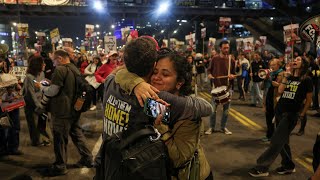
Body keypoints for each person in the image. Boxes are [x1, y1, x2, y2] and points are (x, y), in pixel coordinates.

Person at [95, 38, 212, 179]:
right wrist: (136, 83)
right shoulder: (149, 102)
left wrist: (161, 128)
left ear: (179, 82)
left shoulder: (111, 83)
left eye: (165, 74)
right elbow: (205, 107)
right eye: (155, 72)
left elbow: (178, 159)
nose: (156, 77)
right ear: (152, 66)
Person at [249, 56, 313, 177]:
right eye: (295, 59)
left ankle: (262, 167)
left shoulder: (307, 80)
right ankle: (288, 165)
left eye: (298, 60)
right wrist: (285, 77)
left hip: (291, 114)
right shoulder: (288, 76)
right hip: (279, 111)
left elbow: (308, 100)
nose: (295, 61)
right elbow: (280, 91)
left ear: (304, 64)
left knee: (276, 141)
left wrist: (302, 114)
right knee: (283, 141)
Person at [37, 49, 93, 176]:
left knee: (60, 139)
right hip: (74, 109)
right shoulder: (74, 68)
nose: (53, 63)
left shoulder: (60, 69)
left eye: (54, 60)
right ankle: (88, 158)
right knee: (77, 135)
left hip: (62, 111)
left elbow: (53, 91)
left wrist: (42, 87)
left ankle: (60, 165)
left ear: (60, 58)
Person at [205, 40, 236, 135]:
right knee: (213, 110)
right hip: (216, 87)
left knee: (226, 111)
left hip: (227, 88)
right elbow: (209, 70)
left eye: (228, 47)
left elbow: (234, 73)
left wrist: (232, 76)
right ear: (220, 48)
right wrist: (210, 75)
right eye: (224, 48)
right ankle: (211, 127)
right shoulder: (215, 59)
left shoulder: (232, 60)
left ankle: (223, 127)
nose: (226, 49)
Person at [23, 55, 51, 146]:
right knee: (33, 124)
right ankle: (36, 141)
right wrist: (38, 106)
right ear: (37, 65)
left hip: (41, 103)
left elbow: (41, 86)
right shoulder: (29, 77)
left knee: (42, 123)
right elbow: (30, 94)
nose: (45, 65)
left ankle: (44, 138)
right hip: (32, 106)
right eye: (43, 63)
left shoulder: (41, 74)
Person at [261, 58, 284, 142]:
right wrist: (265, 78)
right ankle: (269, 135)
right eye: (270, 65)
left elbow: (284, 87)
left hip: (277, 99)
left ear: (278, 65)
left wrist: (278, 85)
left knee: (277, 119)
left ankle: (278, 138)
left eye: (273, 65)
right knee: (269, 118)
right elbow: (262, 87)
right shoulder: (270, 74)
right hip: (268, 97)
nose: (271, 67)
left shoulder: (282, 74)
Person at [0, 86, 22, 155]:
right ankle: (8, 149)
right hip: (4, 108)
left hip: (12, 107)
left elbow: (18, 89)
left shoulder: (10, 81)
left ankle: (9, 148)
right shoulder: (5, 93)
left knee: (10, 128)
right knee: (5, 128)